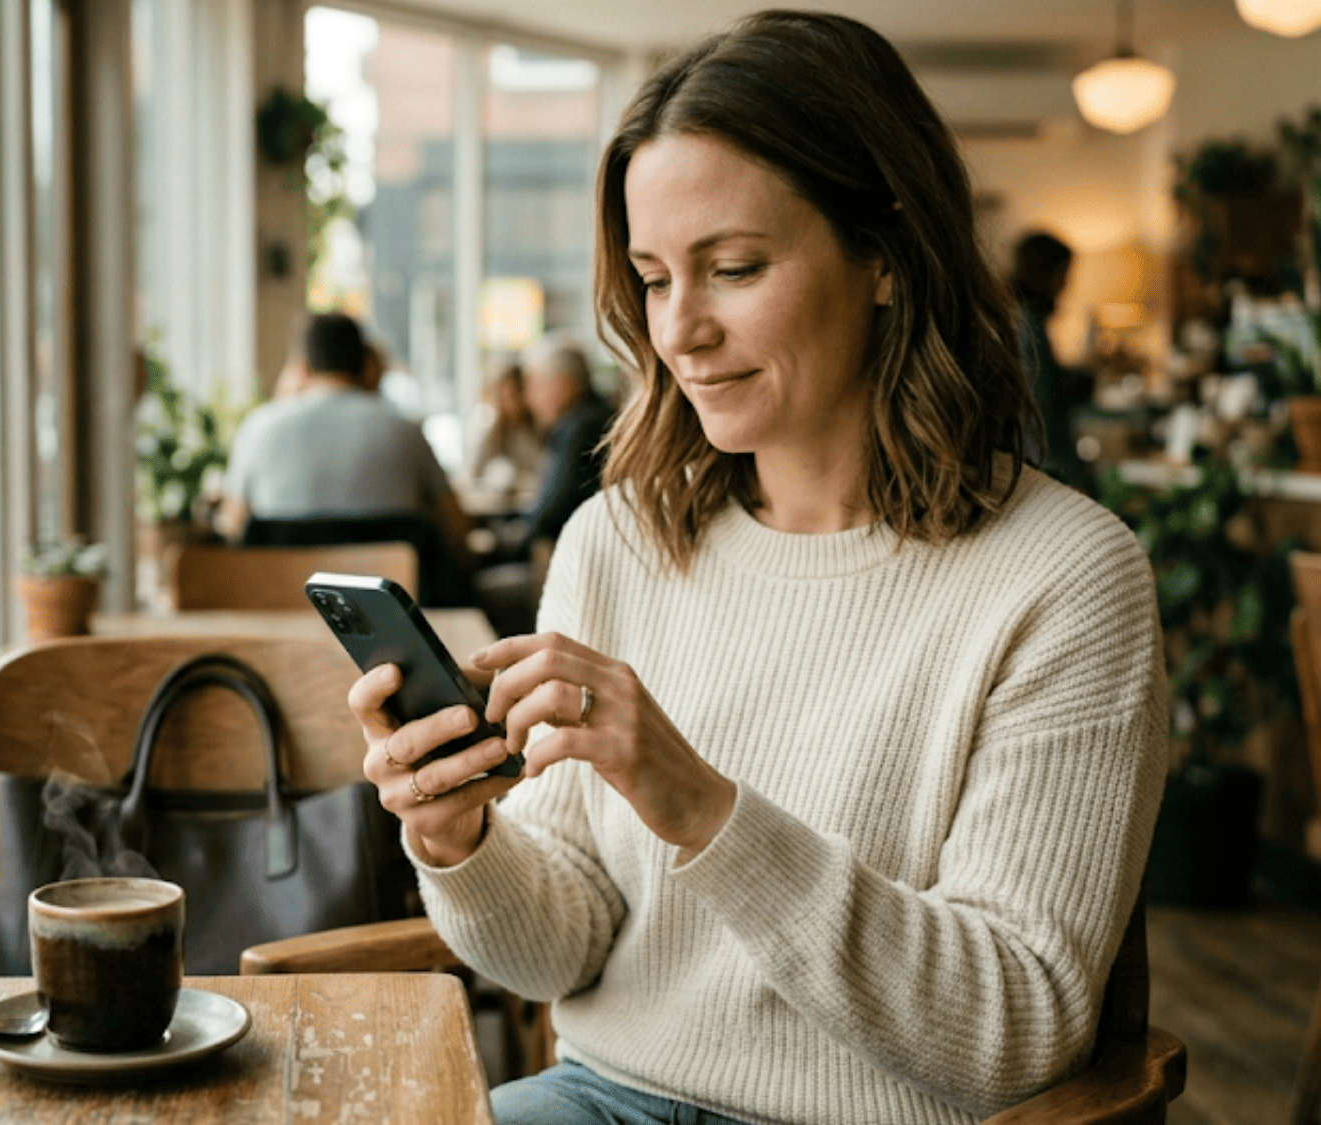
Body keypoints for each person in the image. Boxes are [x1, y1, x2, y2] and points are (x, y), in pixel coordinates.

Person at [350, 12, 1166, 1125]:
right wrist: (460, 841)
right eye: (650, 277)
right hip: (603, 1097)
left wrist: (696, 803)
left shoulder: (1064, 578)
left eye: (731, 268)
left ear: (882, 257)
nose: (678, 330)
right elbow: (555, 953)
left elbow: (1011, 1031)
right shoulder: (618, 539)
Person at [215, 312, 474, 602]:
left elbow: (232, 529)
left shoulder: (259, 427)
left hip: (280, 607)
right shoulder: (406, 431)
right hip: (389, 618)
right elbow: (458, 532)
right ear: (364, 362)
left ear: (301, 366)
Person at [1011, 231, 1095, 489]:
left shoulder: (1025, 319)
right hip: (1045, 463)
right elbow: (1041, 399)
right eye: (1064, 274)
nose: (1066, 284)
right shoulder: (1028, 324)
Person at [512, 334, 611, 548]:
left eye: (535, 385)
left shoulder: (579, 428)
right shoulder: (597, 415)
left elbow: (550, 513)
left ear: (562, 383)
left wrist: (505, 543)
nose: (529, 398)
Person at [463, 357, 545, 505]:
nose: (507, 404)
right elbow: (473, 475)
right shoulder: (491, 431)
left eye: (512, 396)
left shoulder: (540, 430)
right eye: (502, 397)